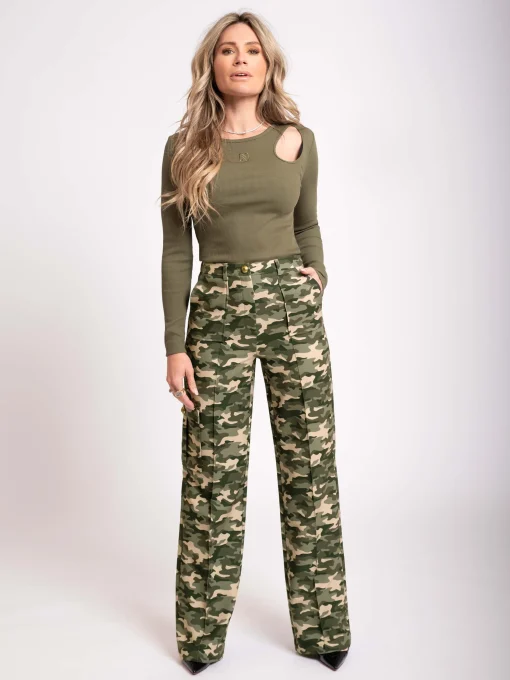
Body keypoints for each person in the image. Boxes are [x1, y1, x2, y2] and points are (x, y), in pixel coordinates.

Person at [160, 11, 351, 676]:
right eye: (226, 50)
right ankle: (201, 638)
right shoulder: (184, 148)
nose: (240, 59)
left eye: (251, 50)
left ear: (268, 64)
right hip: (217, 314)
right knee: (212, 477)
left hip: (293, 314)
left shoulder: (299, 141)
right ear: (211, 65)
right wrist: (175, 344)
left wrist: (315, 277)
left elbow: (308, 224)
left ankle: (324, 627)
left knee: (311, 470)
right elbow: (175, 252)